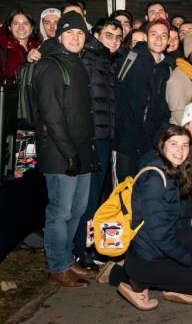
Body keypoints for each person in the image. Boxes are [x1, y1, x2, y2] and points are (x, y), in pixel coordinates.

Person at [119, 125, 192, 310]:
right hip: (146, 257)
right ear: (162, 145)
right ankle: (135, 281)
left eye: (184, 145)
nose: (180, 151)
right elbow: (161, 237)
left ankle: (175, 283)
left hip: (159, 247)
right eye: (173, 144)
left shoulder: (170, 170)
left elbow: (168, 222)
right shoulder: (155, 180)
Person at [31, 11, 99, 287]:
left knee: (78, 208)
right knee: (60, 211)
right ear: (59, 36)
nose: (75, 37)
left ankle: (67, 259)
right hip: (61, 154)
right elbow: (51, 115)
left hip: (79, 152)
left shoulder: (75, 63)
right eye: (69, 33)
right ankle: (57, 265)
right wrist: (69, 153)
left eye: (80, 33)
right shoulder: (50, 65)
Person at [73, 18, 122, 267]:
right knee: (88, 197)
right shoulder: (89, 61)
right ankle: (81, 250)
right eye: (108, 35)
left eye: (117, 37)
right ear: (96, 35)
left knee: (95, 196)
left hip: (105, 137)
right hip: (93, 138)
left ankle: (89, 247)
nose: (113, 41)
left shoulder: (108, 61)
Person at [114, 18, 176, 180]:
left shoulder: (169, 67)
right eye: (154, 34)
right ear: (146, 37)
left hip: (152, 145)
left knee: (146, 191)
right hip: (125, 141)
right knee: (122, 192)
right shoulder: (130, 58)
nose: (159, 39)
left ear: (169, 40)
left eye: (164, 35)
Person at [0, 9, 40, 81]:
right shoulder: (2, 50)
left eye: (25, 23)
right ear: (9, 27)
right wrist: (26, 59)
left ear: (31, 28)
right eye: (16, 23)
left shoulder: (39, 48)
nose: (21, 27)